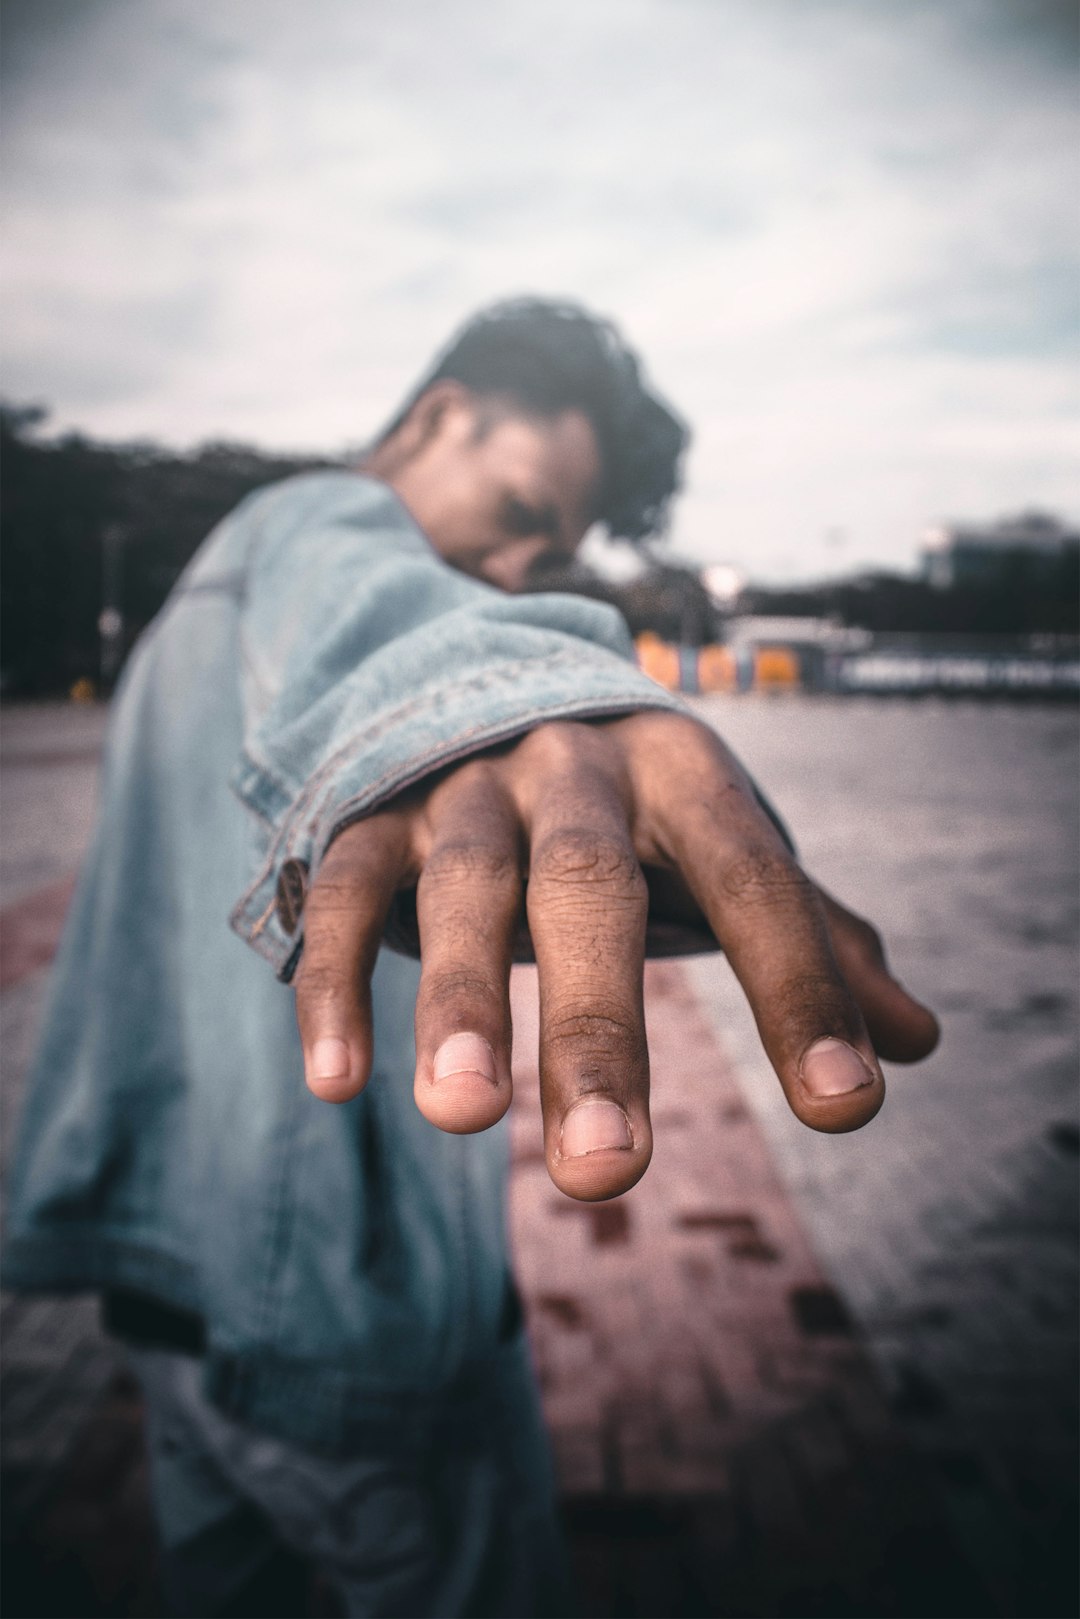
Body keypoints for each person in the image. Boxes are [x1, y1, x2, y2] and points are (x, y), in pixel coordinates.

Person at [4, 298, 938, 1617]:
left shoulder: (196, 596)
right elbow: (382, 621)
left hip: (170, 1301)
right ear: (442, 415)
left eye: (547, 555)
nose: (511, 572)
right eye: (519, 513)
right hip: (354, 1320)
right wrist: (515, 706)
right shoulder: (318, 531)